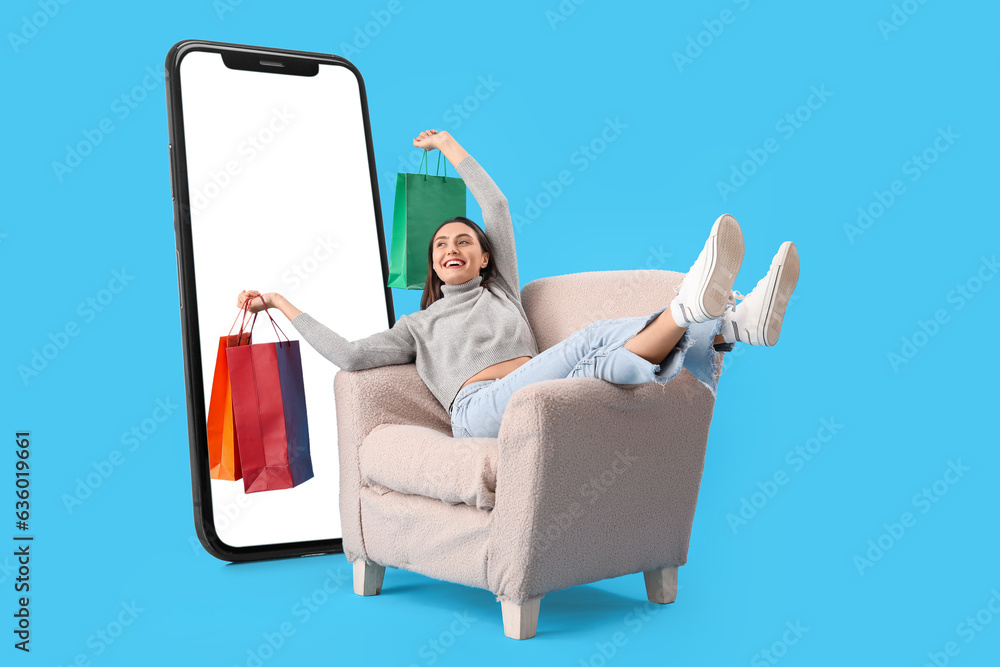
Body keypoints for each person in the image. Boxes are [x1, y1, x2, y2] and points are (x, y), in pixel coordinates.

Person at [237, 129, 800, 439]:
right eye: (440, 246)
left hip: (538, 392)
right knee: (590, 338)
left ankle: (731, 325)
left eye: (464, 242)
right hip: (478, 411)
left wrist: (451, 147)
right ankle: (710, 316)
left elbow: (495, 204)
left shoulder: (501, 289)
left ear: (485, 259)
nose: (451, 248)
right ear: (433, 267)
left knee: (598, 366)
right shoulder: (417, 324)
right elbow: (351, 356)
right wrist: (282, 302)